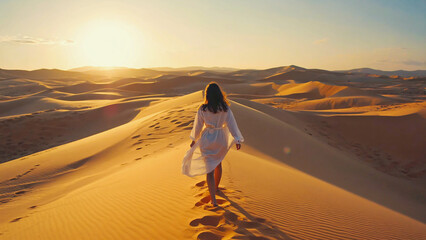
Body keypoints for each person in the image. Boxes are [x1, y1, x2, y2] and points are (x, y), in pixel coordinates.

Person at [182, 82, 244, 207]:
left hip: (207, 139)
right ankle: (215, 188)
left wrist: (194, 139)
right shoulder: (225, 109)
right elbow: (232, 125)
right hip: (221, 138)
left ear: (207, 95)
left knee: (209, 169)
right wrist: (237, 139)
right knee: (218, 163)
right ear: (219, 94)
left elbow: (198, 126)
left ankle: (213, 200)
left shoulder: (203, 109)